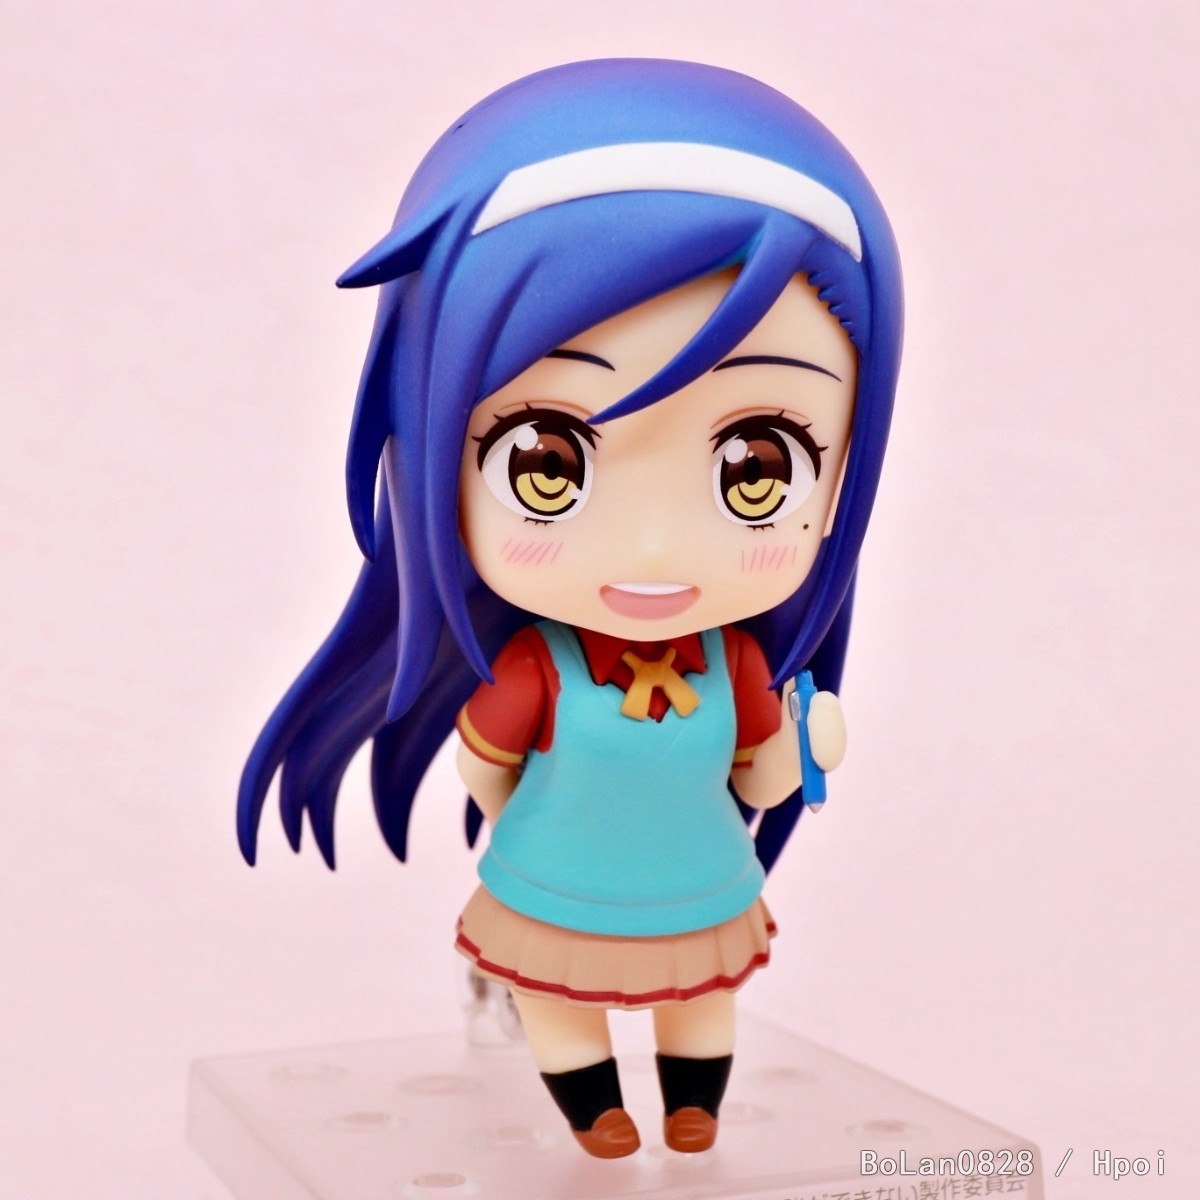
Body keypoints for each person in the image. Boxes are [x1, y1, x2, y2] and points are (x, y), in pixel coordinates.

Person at [238, 58, 903, 1159]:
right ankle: (596, 1112)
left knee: (702, 999)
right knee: (558, 997)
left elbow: (760, 780)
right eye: (548, 464)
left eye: (757, 468)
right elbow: (487, 769)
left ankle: (692, 1104)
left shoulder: (735, 669)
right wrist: (531, 823)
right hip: (558, 879)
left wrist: (804, 745)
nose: (654, 550)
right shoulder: (538, 669)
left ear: (841, 476)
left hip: (695, 881)